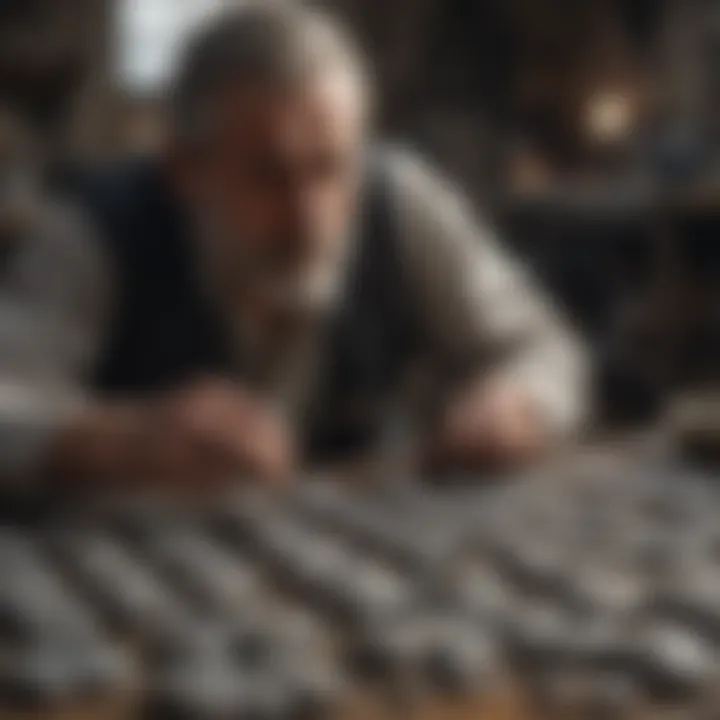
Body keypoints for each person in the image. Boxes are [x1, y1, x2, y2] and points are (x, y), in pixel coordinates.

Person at [0, 2, 588, 493]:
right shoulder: (98, 232)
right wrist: (115, 440)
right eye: (269, 174)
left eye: (330, 169)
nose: (311, 216)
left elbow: (543, 348)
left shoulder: (400, 201)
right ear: (186, 170)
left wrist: (518, 405)